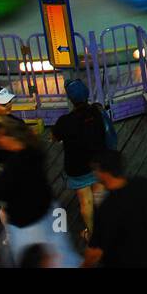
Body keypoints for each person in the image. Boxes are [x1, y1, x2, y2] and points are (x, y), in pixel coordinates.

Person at [0, 120, 79, 267]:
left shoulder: (16, 165)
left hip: (27, 222)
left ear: (11, 138)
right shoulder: (33, 151)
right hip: (47, 210)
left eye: (0, 136)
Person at [84, 150, 147, 268]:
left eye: (95, 170)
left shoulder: (106, 209)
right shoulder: (141, 184)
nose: (94, 174)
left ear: (103, 172)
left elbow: (95, 253)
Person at [51, 78, 107, 238]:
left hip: (77, 167)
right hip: (99, 163)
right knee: (100, 196)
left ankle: (91, 233)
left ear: (70, 99)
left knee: (86, 201)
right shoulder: (97, 112)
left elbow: (55, 136)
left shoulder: (65, 121)